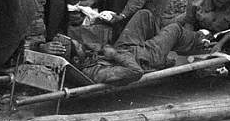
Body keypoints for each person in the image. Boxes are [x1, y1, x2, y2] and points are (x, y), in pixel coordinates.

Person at [39, 9, 208, 85]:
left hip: (124, 47)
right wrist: (113, 55)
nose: (82, 45)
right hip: (144, 57)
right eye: (79, 46)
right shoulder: (96, 72)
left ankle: (166, 44)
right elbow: (135, 72)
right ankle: (200, 40)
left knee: (144, 15)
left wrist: (42, 46)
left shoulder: (83, 57)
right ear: (76, 59)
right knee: (175, 29)